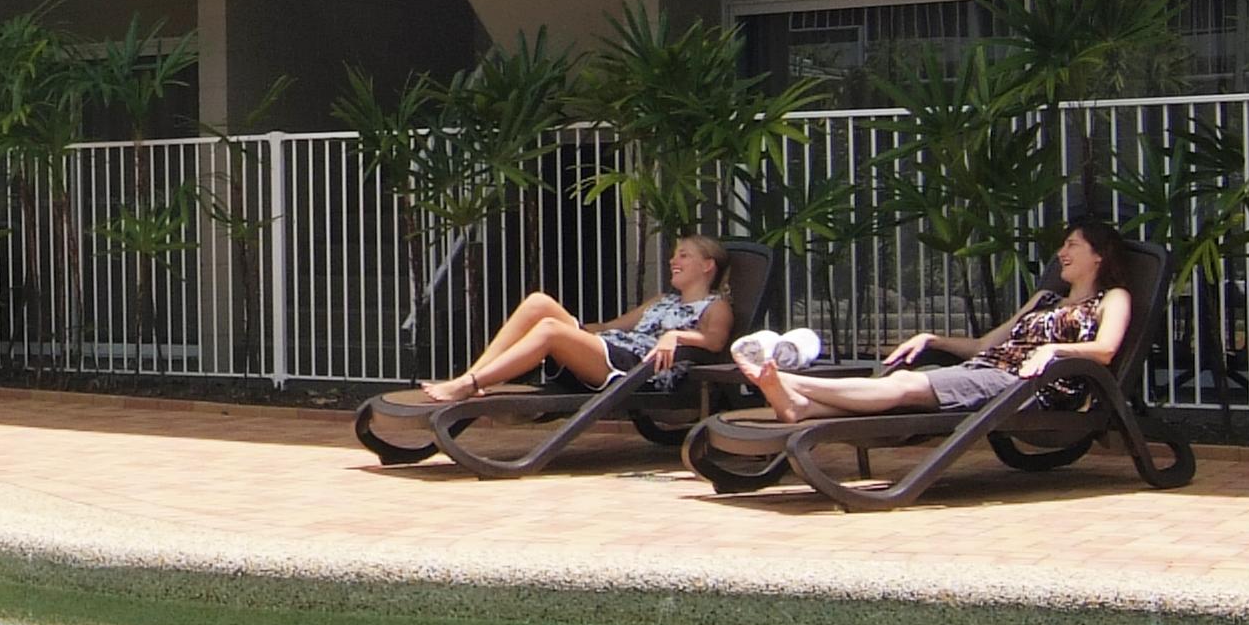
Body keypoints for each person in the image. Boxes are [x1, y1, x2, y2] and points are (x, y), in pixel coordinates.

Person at [737, 222, 1132, 423]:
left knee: (905, 385)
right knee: (902, 395)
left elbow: (1106, 349)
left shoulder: (1111, 298)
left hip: (1026, 386)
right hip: (989, 371)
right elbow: (983, 346)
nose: (1061, 252)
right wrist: (933, 338)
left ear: (1099, 256)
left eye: (1072, 245)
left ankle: (791, 382)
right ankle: (803, 408)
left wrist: (1052, 348)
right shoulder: (1044, 299)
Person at [417, 236, 735, 404]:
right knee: (539, 304)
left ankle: (471, 384)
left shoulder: (715, 306)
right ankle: (473, 377)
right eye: (674, 254)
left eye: (683, 255)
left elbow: (717, 342)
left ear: (708, 266)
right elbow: (612, 326)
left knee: (550, 328)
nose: (672, 260)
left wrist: (677, 336)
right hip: (612, 352)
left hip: (638, 370)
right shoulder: (661, 300)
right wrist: (578, 330)